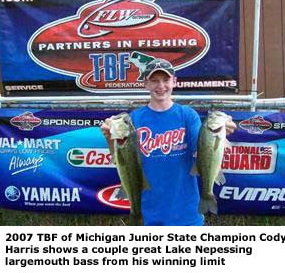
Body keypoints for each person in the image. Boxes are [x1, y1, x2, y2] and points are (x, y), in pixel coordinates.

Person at [101, 58, 236, 226]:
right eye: (154, 81)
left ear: (174, 81)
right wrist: (109, 138)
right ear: (146, 84)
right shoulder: (134, 119)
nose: (161, 86)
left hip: (187, 214)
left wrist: (222, 133)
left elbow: (203, 151)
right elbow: (123, 160)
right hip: (149, 213)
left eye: (166, 80)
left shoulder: (188, 115)